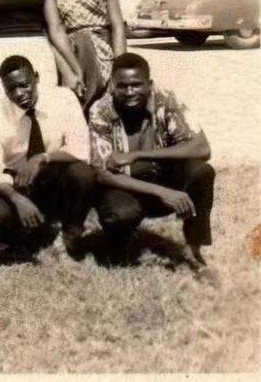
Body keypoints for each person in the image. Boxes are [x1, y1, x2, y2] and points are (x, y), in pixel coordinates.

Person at [88, 53, 215, 274]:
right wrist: (163, 192)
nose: (129, 92)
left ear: (149, 84)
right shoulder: (100, 110)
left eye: (136, 85)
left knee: (202, 172)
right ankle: (120, 248)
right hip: (124, 187)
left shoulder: (166, 99)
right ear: (111, 87)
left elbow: (202, 148)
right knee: (120, 214)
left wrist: (139, 156)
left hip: (162, 176)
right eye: (122, 86)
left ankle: (194, 247)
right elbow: (103, 174)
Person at [0, 56, 97, 259]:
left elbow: (81, 148)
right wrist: (17, 199)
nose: (19, 94)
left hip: (53, 175)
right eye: (11, 89)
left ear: (36, 78)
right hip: (16, 182)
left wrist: (42, 157)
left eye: (24, 85)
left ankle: (70, 233)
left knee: (82, 174)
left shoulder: (63, 98)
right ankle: (23, 238)